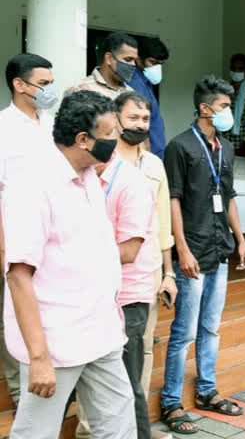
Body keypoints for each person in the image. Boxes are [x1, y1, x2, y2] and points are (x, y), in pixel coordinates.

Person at [3, 91, 136, 438]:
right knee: (36, 433)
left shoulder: (89, 176)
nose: (116, 140)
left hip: (101, 330)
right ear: (83, 139)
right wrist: (39, 358)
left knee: (119, 425)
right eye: (110, 134)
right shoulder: (34, 184)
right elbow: (18, 276)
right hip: (57, 340)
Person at [160, 75, 245, 434]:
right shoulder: (179, 147)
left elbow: (228, 197)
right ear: (205, 108)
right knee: (184, 332)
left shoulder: (225, 148)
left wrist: (241, 240)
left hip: (220, 249)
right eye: (225, 106)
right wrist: (181, 248)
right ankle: (170, 403)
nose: (229, 112)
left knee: (211, 327)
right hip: (193, 252)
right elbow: (173, 200)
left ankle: (207, 391)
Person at [76, 122, 156, 439]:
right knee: (104, 385)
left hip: (127, 297)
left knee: (126, 384)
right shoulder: (84, 178)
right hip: (94, 293)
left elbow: (129, 250)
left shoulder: (130, 183)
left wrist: (72, 255)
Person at [115, 91, 178, 439]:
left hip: (149, 271)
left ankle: (136, 425)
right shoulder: (102, 160)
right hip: (111, 273)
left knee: (144, 348)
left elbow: (163, 224)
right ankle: (94, 430)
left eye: (145, 120)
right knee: (109, 355)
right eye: (133, 118)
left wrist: (168, 273)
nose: (140, 125)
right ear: (116, 117)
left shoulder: (153, 163)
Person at [0, 53, 58, 413]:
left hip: (52, 232)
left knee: (47, 304)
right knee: (11, 312)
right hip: (13, 231)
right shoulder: (3, 127)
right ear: (20, 84)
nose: (49, 91)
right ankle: (20, 391)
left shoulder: (53, 124)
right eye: (44, 84)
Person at [129, 37, 170, 159]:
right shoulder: (135, 83)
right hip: (146, 156)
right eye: (153, 62)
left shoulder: (146, 82)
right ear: (138, 59)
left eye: (161, 64)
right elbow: (139, 125)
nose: (157, 68)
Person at [66, 32, 137, 99]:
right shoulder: (81, 90)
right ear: (109, 58)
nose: (133, 64)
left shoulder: (131, 93)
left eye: (134, 60)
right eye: (128, 59)